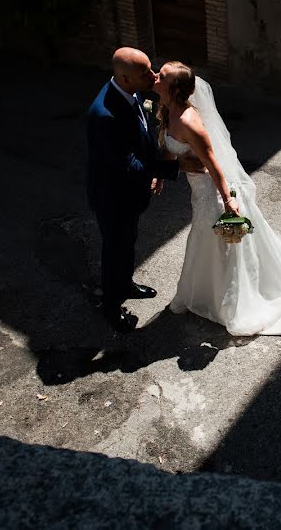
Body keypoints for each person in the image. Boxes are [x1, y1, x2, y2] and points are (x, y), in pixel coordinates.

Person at [153, 61, 281, 336]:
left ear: (174, 89)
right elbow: (170, 150)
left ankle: (232, 302)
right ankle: (208, 294)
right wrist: (163, 172)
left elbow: (214, 164)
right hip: (198, 191)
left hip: (212, 191)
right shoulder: (168, 112)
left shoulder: (191, 122)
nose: (155, 77)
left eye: (162, 76)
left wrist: (228, 200)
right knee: (206, 241)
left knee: (222, 243)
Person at [86, 48, 203, 331]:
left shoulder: (133, 92)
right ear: (125, 78)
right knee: (115, 250)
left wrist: (159, 161)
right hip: (113, 197)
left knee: (127, 244)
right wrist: (175, 168)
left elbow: (142, 138)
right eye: (145, 73)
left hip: (130, 194)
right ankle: (112, 308)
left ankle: (126, 285)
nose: (152, 76)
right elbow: (128, 166)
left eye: (151, 69)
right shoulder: (104, 115)